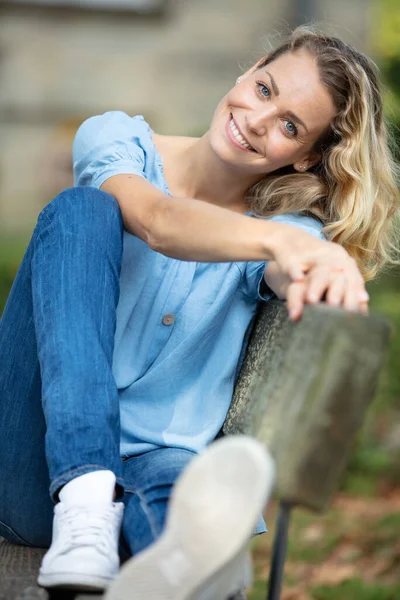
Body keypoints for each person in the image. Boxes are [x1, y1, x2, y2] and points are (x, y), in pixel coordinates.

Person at [0, 25, 399, 600]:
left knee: (187, 513)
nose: (258, 121)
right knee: (82, 208)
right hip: (32, 463)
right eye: (265, 90)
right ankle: (86, 495)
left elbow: (291, 267)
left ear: (308, 156)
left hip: (157, 461)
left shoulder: (284, 234)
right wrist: (280, 246)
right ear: (251, 69)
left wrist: (319, 262)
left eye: (290, 126)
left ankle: (187, 576)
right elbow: (159, 222)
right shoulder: (116, 140)